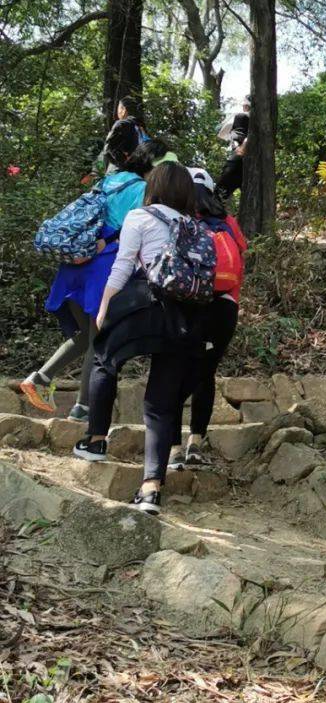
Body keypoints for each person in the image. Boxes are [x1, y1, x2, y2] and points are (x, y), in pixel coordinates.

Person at [73, 162, 208, 515]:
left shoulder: (140, 217)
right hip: (184, 318)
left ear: (155, 186)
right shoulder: (196, 225)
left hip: (144, 309)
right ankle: (150, 490)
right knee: (161, 404)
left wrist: (104, 306)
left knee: (104, 358)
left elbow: (122, 265)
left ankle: (96, 439)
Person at [20, 150, 150, 419]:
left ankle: (40, 379)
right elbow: (133, 229)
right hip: (101, 264)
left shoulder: (106, 181)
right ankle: (83, 408)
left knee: (82, 336)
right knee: (97, 338)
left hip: (77, 260)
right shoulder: (141, 188)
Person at [169, 168, 247, 471]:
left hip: (188, 305)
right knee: (205, 373)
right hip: (224, 308)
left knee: (176, 372)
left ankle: (174, 447)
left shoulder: (181, 220)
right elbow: (240, 261)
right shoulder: (229, 223)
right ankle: (196, 444)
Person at [98, 97, 149, 174]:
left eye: (118, 108)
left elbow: (109, 149)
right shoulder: (141, 127)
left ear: (124, 110)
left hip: (119, 172)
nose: (117, 112)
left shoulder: (122, 124)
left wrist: (125, 165)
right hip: (140, 173)